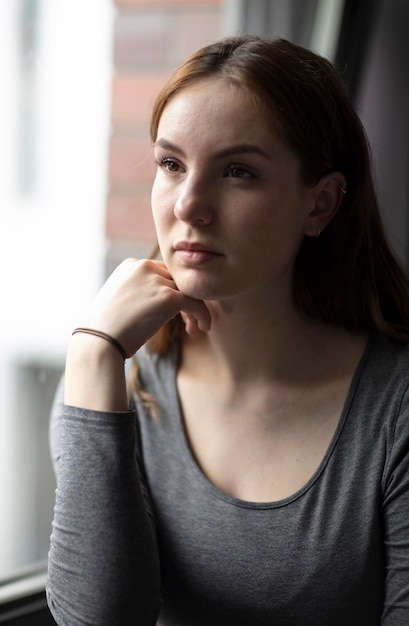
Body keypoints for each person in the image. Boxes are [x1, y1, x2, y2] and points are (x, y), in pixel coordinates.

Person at [47, 35, 409, 625]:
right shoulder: (110, 380)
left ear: (320, 205)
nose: (189, 205)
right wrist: (91, 354)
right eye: (170, 164)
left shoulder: (394, 410)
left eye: (238, 171)